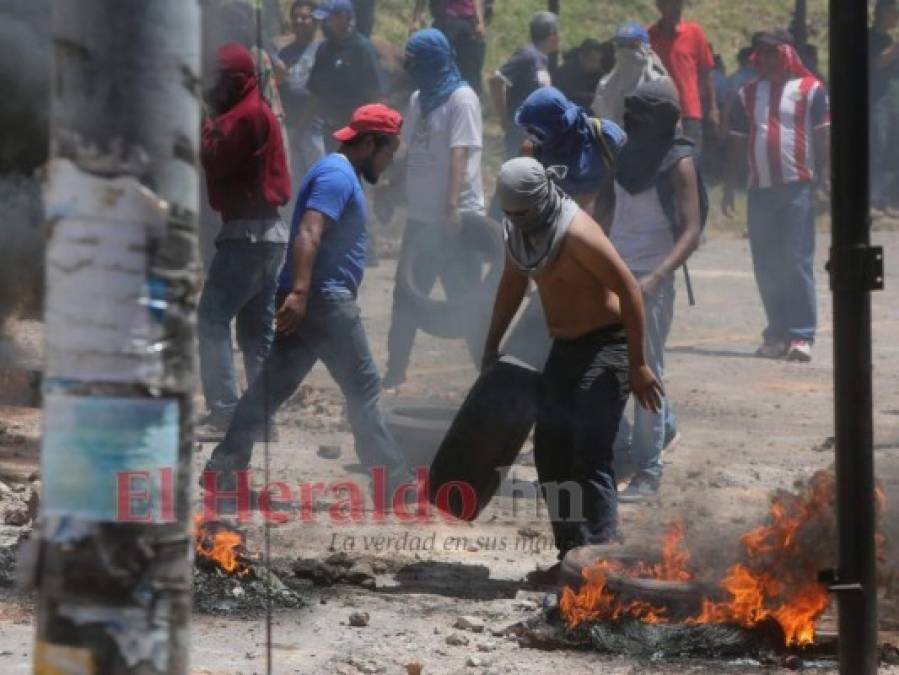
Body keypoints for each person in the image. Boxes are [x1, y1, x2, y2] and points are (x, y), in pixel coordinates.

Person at [202, 103, 414, 496]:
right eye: (388, 153)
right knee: (363, 386)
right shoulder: (337, 175)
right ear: (369, 143)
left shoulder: (337, 170)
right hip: (324, 300)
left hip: (313, 298)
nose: (387, 163)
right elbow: (308, 232)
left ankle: (224, 468)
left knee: (270, 388)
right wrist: (300, 293)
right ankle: (396, 484)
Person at [482, 157, 664, 568]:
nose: (517, 220)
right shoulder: (520, 232)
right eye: (509, 214)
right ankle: (571, 559)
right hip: (564, 347)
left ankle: (604, 563)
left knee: (590, 452)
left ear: (541, 199)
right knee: (550, 452)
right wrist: (491, 346)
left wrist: (638, 364)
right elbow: (511, 287)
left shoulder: (577, 232)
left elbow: (629, 289)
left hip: (608, 344)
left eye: (523, 213)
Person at [604, 80, 702, 502]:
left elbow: (692, 229)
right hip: (615, 273)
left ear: (660, 119)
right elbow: (609, 214)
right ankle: (664, 429)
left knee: (645, 372)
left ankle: (648, 472)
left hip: (650, 281)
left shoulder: (678, 163)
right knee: (607, 366)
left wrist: (658, 276)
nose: (632, 122)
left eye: (641, 115)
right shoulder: (624, 155)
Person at [197, 43, 292, 437]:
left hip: (246, 237)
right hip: (268, 236)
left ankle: (224, 413)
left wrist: (201, 121)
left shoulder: (244, 116)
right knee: (256, 332)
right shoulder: (256, 109)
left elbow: (215, 157)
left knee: (211, 319)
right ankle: (261, 417)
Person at [382, 29, 485, 388]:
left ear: (431, 60)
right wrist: (391, 184)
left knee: (468, 300)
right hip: (421, 219)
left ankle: (489, 374)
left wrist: (452, 207)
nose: (409, 67)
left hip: (456, 221)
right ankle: (395, 370)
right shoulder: (419, 98)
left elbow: (460, 152)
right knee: (406, 295)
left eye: (414, 60)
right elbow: (410, 148)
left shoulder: (462, 99)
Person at [722, 31, 830, 363]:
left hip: (797, 186)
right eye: (762, 53)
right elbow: (738, 143)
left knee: (796, 260)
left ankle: (801, 334)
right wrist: (729, 185)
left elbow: (823, 136)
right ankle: (777, 332)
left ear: (787, 53)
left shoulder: (810, 90)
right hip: (760, 190)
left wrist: (824, 180)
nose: (767, 59)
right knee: (767, 263)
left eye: (773, 52)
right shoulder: (748, 94)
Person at [514, 86, 626, 212]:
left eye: (537, 132)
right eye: (527, 130)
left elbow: (630, 185)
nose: (531, 137)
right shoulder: (532, 152)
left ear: (560, 128)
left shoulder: (606, 138)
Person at [307, 0, 385, 149]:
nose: (325, 23)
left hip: (355, 132)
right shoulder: (324, 49)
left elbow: (376, 95)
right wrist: (302, 126)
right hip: (330, 129)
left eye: (329, 18)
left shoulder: (363, 49)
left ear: (345, 17)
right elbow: (315, 91)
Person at [649, 0, 719, 154]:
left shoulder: (695, 33)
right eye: (671, 4)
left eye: (679, 4)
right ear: (660, 6)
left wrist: (712, 107)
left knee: (690, 163)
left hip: (689, 112)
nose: (676, 8)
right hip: (659, 112)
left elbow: (706, 73)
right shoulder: (649, 37)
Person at [489, 11, 560, 159]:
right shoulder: (527, 55)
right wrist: (504, 118)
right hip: (522, 134)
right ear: (551, 35)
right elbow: (495, 80)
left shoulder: (542, 59)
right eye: (557, 33)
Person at [279, 0, 325, 191]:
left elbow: (320, 93)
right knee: (293, 186)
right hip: (289, 130)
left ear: (315, 21)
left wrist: (301, 127)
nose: (298, 21)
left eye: (304, 17)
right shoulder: (285, 53)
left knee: (318, 185)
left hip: (314, 130)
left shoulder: (322, 51)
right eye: (295, 17)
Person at [592, 20, 669, 125]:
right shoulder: (605, 85)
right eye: (621, 45)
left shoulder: (658, 82)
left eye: (632, 45)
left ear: (645, 48)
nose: (625, 51)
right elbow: (599, 119)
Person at [411, 0, 487, 95]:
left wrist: (480, 21)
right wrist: (417, 19)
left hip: (468, 24)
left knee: (470, 75)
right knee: (435, 68)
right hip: (445, 21)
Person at [870, 0, 899, 214]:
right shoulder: (871, 38)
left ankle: (887, 199)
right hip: (877, 101)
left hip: (891, 102)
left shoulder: (888, 39)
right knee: (878, 148)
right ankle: (873, 199)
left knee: (892, 149)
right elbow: (877, 63)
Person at [551, 38, 612, 112]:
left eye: (598, 60)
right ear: (582, 57)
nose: (596, 64)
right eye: (592, 60)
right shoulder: (565, 73)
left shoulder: (601, 76)